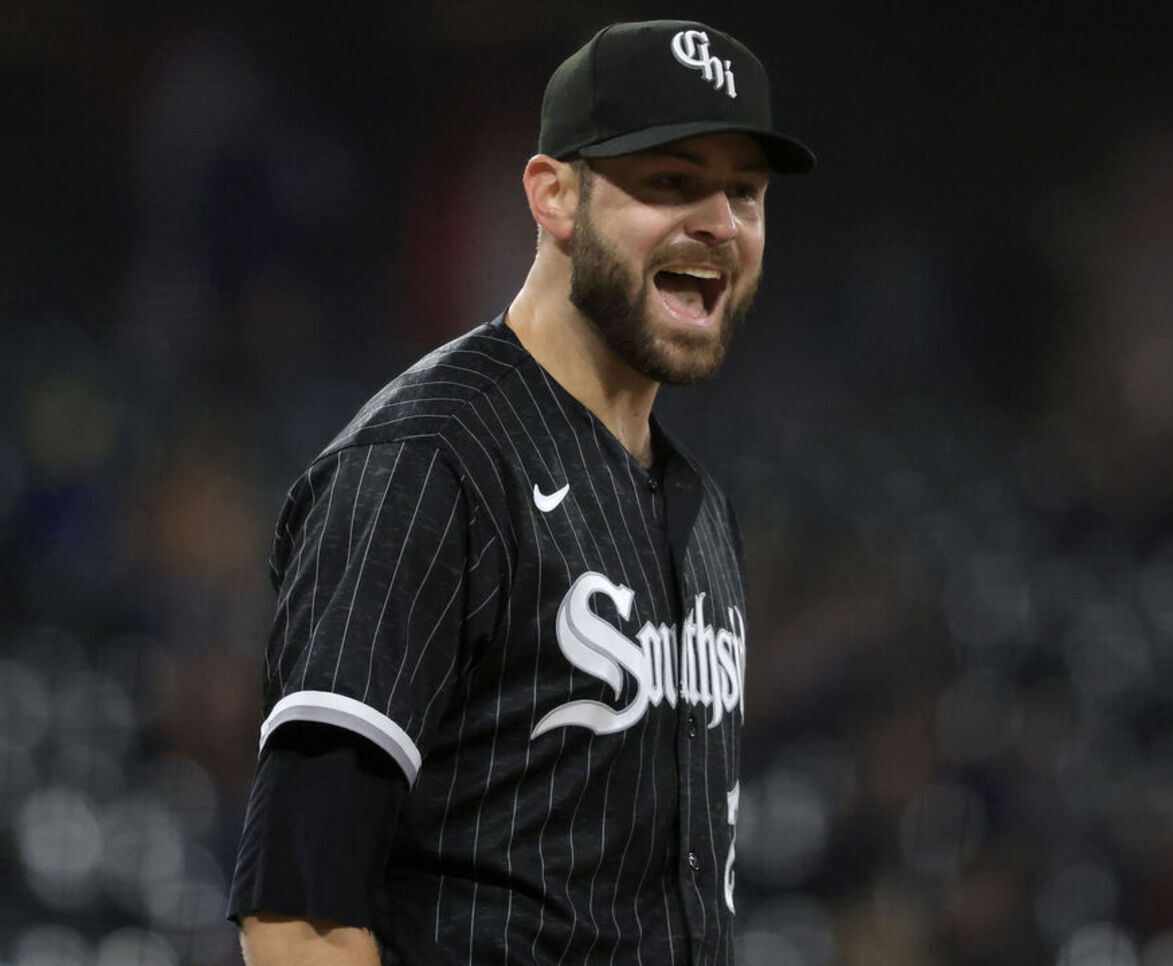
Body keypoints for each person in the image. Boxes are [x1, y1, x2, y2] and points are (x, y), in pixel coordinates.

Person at [227, 18, 813, 966]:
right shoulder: (424, 466)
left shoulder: (700, 510)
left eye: (744, 191)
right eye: (671, 181)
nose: (720, 222)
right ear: (554, 197)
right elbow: (300, 914)